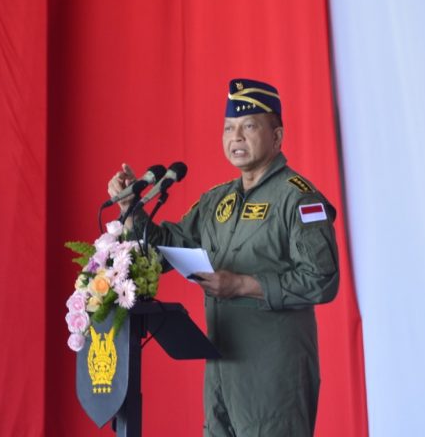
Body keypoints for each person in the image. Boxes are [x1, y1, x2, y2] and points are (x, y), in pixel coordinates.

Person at [107, 78, 340, 436]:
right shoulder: (217, 200)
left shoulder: (298, 199)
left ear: (277, 136)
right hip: (221, 368)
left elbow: (322, 280)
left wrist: (243, 285)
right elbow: (164, 249)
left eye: (249, 127)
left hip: (273, 374)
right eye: (229, 128)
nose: (237, 137)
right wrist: (130, 210)